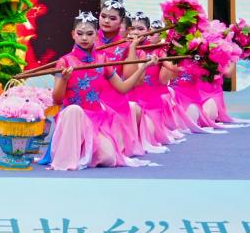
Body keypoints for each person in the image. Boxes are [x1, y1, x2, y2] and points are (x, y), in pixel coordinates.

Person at [47, 12, 157, 170]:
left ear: (95, 35)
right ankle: (74, 149)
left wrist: (144, 66)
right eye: (80, 33)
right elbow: (57, 100)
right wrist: (64, 80)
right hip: (73, 118)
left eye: (89, 34)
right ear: (73, 35)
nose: (84, 38)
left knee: (109, 158)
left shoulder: (102, 60)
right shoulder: (64, 61)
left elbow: (123, 88)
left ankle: (83, 148)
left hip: (96, 118)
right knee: (74, 110)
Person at [123, 13, 184, 149]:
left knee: (147, 136)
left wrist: (180, 51)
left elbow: (175, 68)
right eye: (133, 28)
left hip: (150, 107)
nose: (136, 32)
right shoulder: (122, 49)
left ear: (149, 31)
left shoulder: (157, 51)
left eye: (140, 29)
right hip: (127, 104)